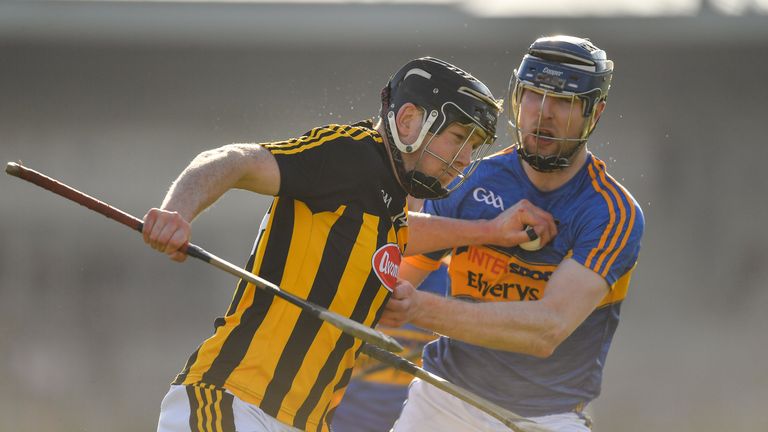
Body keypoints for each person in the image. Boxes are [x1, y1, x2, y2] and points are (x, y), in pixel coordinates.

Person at [141, 57, 555, 432]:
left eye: (473, 145)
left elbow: (407, 233)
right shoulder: (349, 153)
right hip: (233, 401)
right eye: (458, 137)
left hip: (304, 421)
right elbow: (237, 159)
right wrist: (177, 211)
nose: (465, 158)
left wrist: (492, 232)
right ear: (409, 120)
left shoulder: (389, 206)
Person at [381, 35, 645, 432]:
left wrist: (416, 308)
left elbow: (545, 330)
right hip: (444, 400)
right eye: (533, 95)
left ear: (595, 111)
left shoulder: (610, 212)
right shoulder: (471, 177)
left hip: (547, 418)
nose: (543, 113)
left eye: (564, 101)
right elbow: (398, 266)